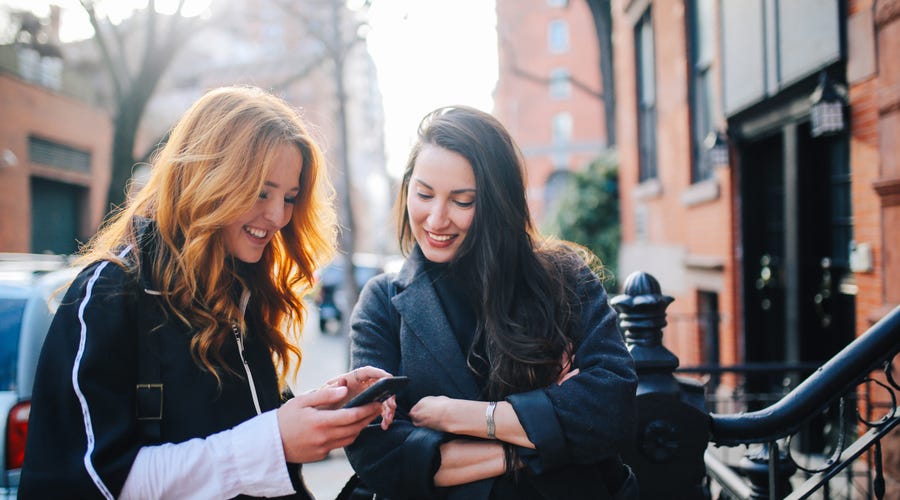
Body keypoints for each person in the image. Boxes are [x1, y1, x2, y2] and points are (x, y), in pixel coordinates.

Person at [19, 86, 396, 499]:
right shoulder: (108, 294)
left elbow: (242, 425)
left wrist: (331, 403)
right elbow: (90, 481)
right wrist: (273, 441)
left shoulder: (242, 288)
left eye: (289, 197)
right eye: (260, 191)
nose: (276, 216)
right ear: (208, 177)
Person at [344, 106, 639, 499]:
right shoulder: (382, 302)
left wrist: (461, 417)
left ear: (497, 204)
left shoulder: (563, 278)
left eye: (462, 201)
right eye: (424, 194)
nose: (435, 219)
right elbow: (379, 457)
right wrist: (533, 439)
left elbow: (609, 408)